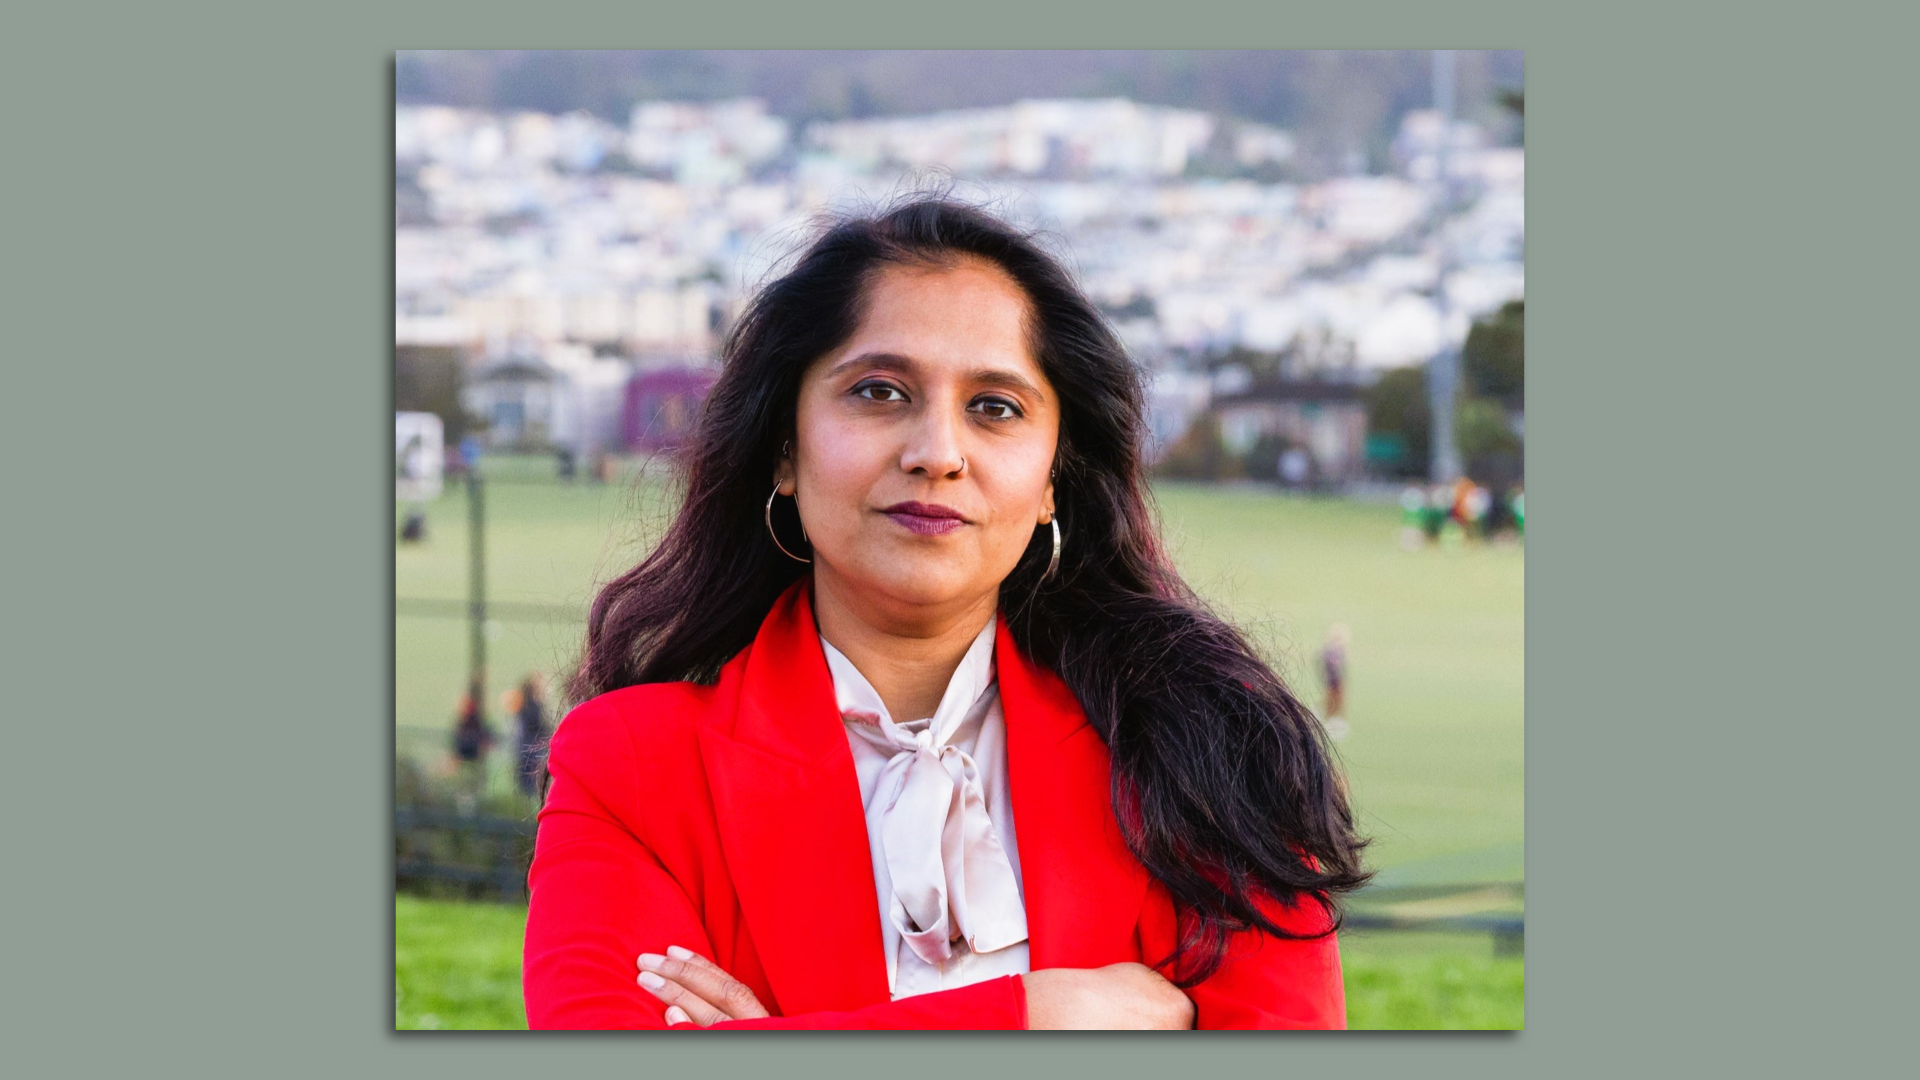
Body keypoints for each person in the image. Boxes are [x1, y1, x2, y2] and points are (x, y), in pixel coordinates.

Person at [523, 198, 1368, 1031]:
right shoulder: (630, 768)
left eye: (995, 407)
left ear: (1051, 482)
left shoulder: (1210, 755)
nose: (936, 453)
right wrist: (1037, 1018)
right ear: (785, 446)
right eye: (880, 392)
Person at [512, 672, 549, 798]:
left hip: (525, 746)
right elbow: (537, 724)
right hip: (532, 747)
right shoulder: (532, 705)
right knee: (531, 780)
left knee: (527, 781)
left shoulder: (523, 703)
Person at [1321, 624, 1351, 741]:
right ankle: (1330, 721)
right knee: (1333, 701)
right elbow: (1333, 667)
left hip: (1334, 680)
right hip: (1334, 681)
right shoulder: (1333, 651)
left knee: (1337, 701)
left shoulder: (1335, 650)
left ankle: (1335, 721)